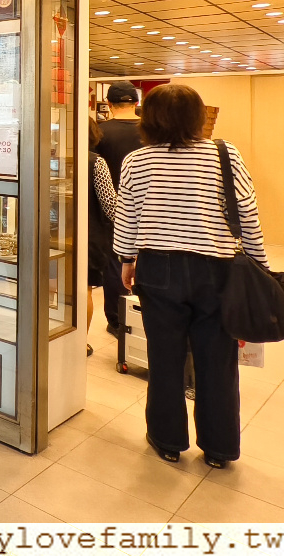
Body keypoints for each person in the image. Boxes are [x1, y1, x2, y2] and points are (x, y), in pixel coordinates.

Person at [114, 84, 269, 470]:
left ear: (148, 119)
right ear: (198, 117)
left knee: (164, 357)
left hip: (157, 268)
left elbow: (127, 215)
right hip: (215, 269)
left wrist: (126, 259)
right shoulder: (225, 154)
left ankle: (167, 440)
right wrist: (260, 267)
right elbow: (247, 213)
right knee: (217, 361)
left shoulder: (138, 160)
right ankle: (219, 448)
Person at [96, 80, 142, 333]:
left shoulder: (100, 132)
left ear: (109, 103)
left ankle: (118, 321)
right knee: (147, 261)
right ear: (136, 102)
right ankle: (144, 316)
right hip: (147, 208)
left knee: (115, 265)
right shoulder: (151, 131)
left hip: (111, 209)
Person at [86, 118, 118, 357]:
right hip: (89, 236)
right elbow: (110, 206)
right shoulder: (96, 162)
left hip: (52, 233)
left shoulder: (51, 159)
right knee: (83, 290)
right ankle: (79, 342)